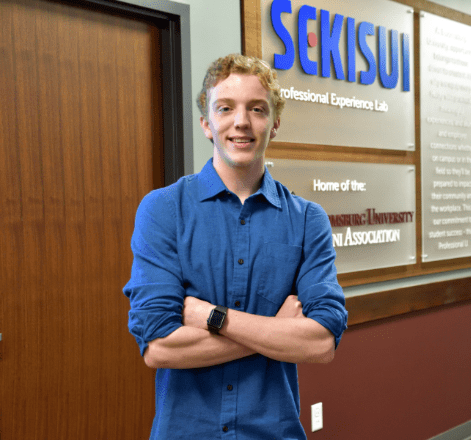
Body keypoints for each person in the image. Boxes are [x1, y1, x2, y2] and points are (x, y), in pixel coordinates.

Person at [123, 53, 348, 439]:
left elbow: (322, 341)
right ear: (207, 124)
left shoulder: (308, 220)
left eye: (257, 109)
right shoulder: (163, 210)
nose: (241, 121)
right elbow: (159, 347)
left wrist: (215, 318)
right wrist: (276, 333)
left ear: (274, 124)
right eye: (225, 108)